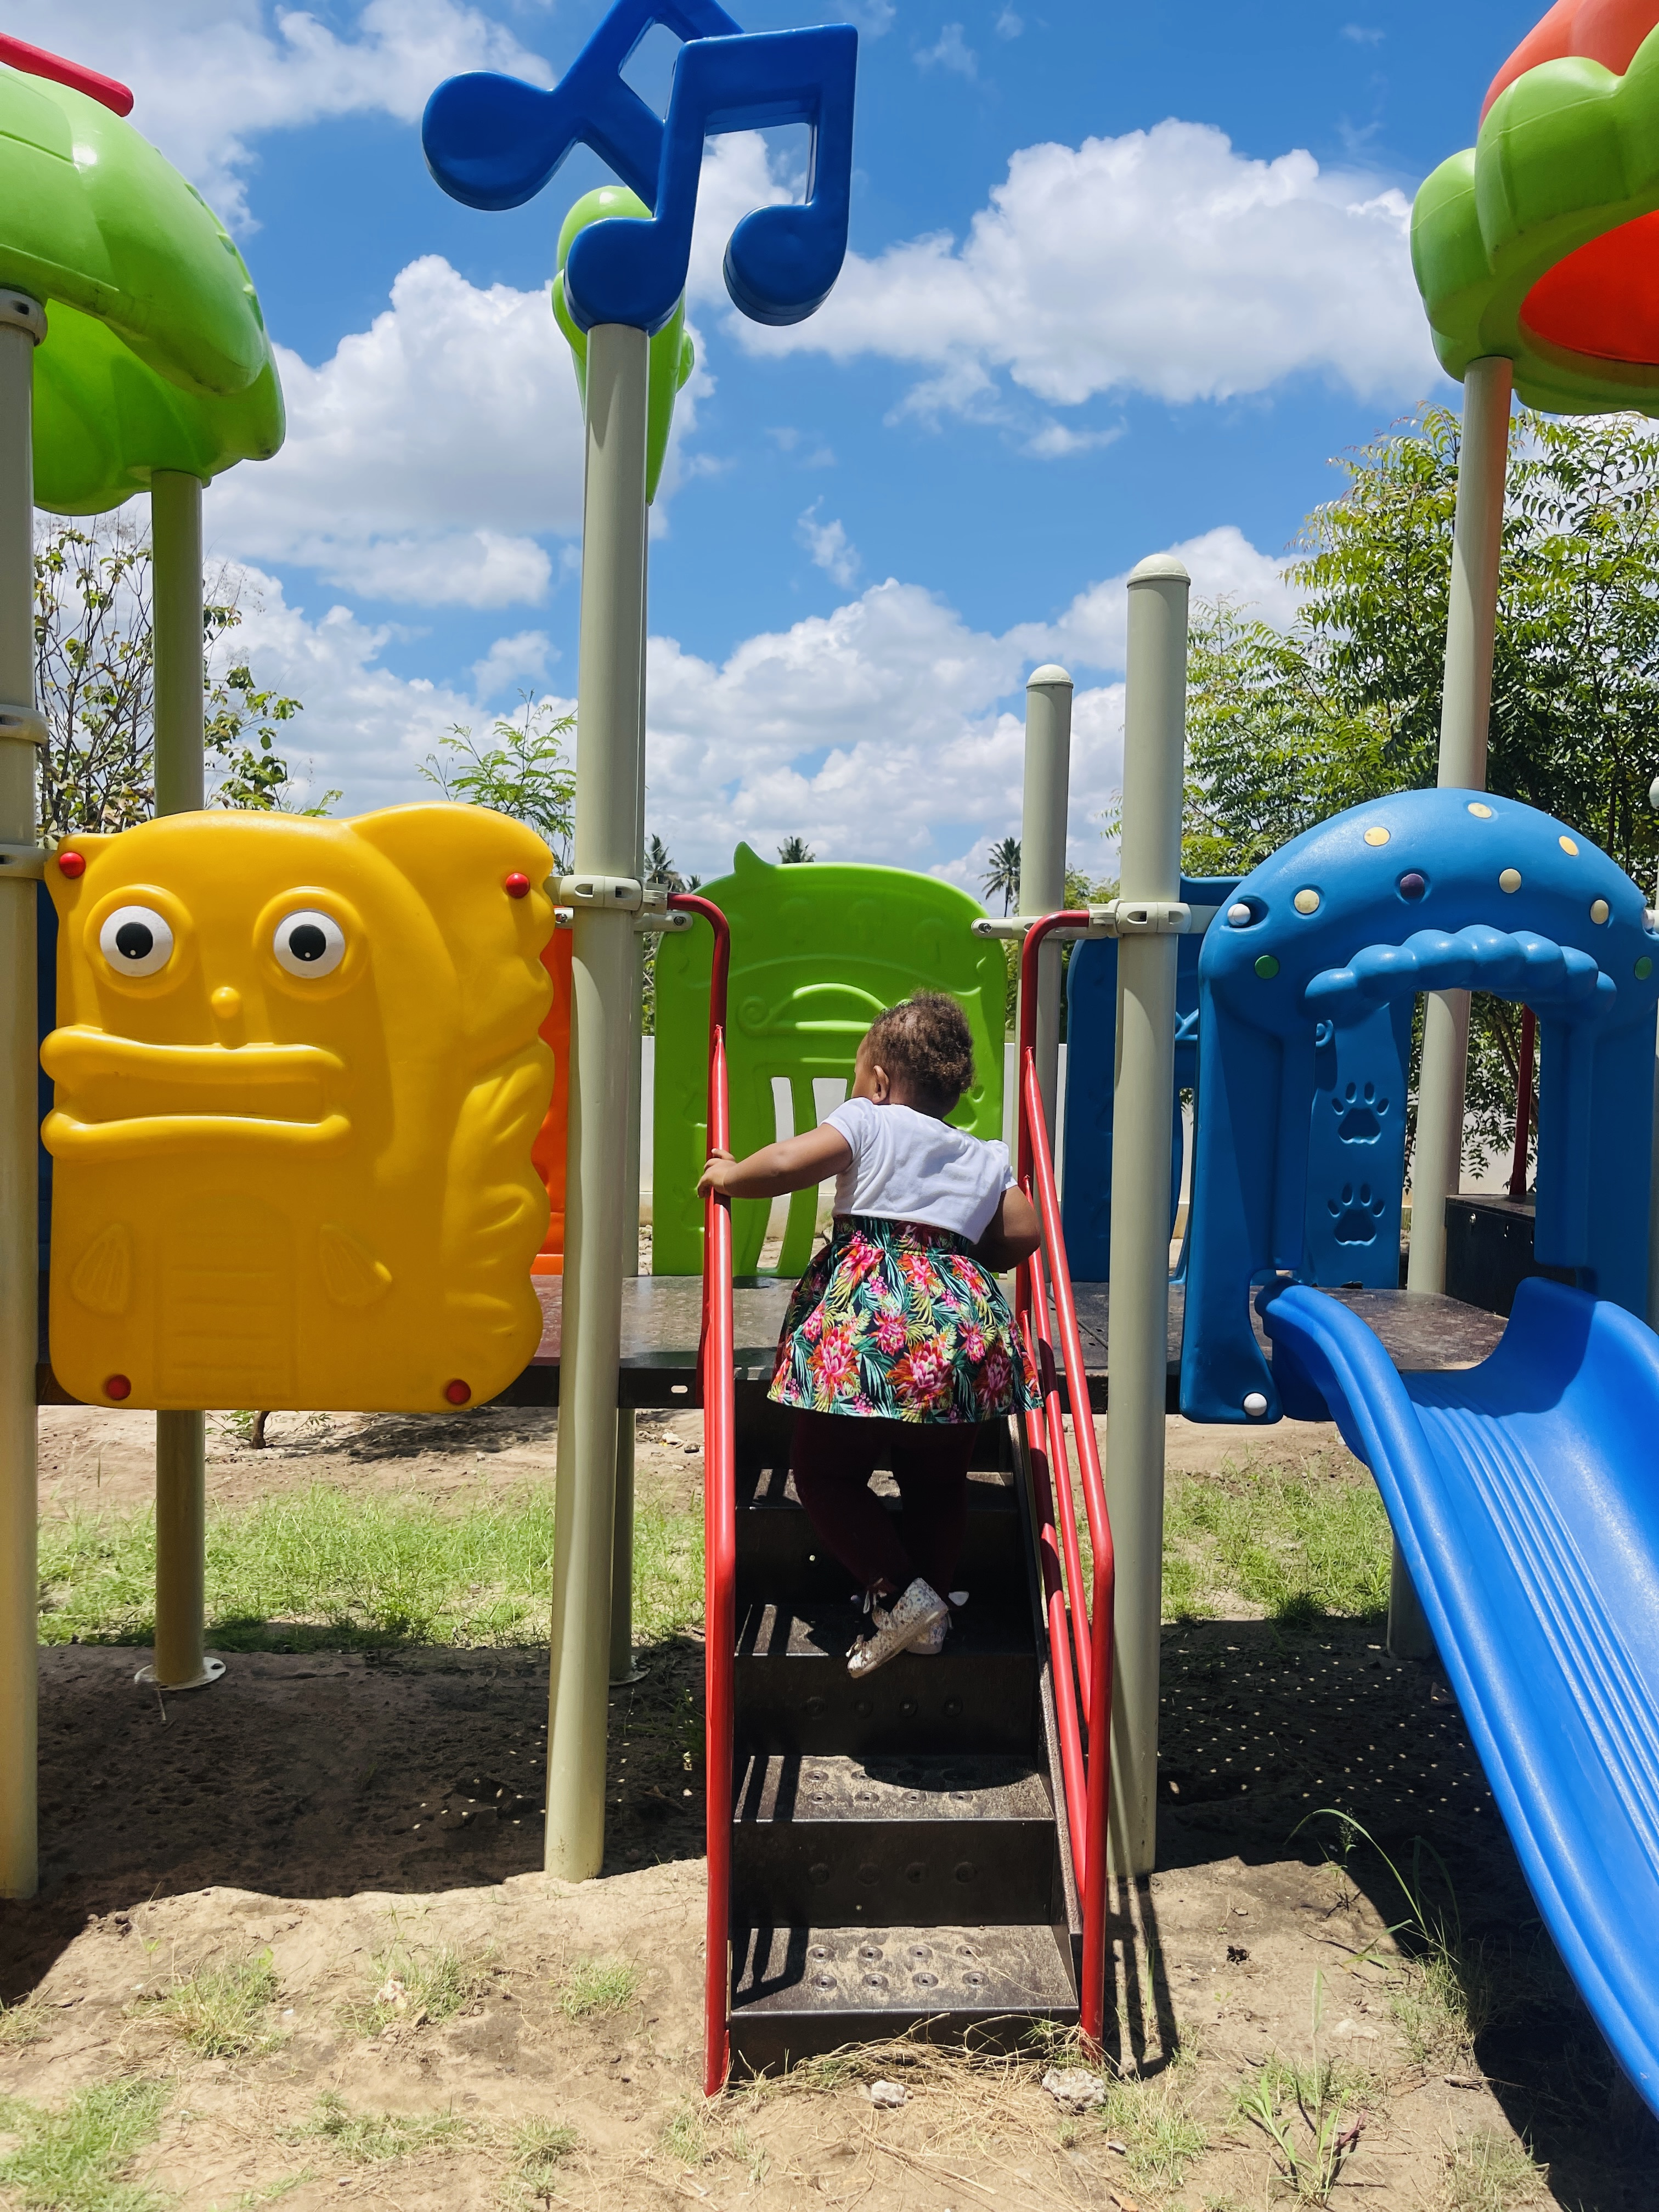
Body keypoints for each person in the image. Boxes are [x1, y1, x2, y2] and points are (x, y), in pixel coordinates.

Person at [698, 991, 1042, 1677]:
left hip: (875, 1330)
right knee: (939, 1482)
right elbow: (1024, 1233)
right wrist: (960, 1250)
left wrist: (730, 1175)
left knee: (825, 1470)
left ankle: (896, 1590)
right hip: (959, 1329)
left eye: (860, 1077)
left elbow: (791, 1161)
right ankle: (931, 1616)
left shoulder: (868, 1119)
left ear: (880, 1081)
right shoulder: (983, 1153)